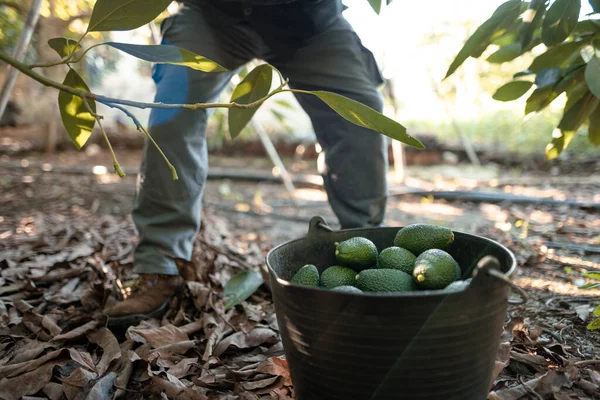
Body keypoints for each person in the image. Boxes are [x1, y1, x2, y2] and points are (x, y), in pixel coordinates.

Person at [104, 0, 389, 326]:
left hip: (309, 21)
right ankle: (161, 266)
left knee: (360, 115)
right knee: (173, 114)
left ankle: (367, 255)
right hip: (213, 14)